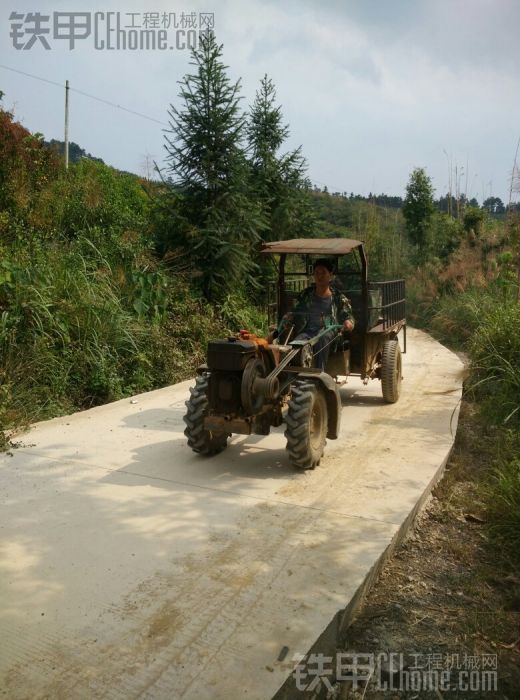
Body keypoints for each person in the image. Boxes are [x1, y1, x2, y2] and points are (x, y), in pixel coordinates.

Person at [282, 258, 355, 370]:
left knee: (322, 338)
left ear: (330, 275)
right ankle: (297, 376)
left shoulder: (338, 297)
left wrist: (348, 322)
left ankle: (319, 374)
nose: (319, 276)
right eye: (317, 273)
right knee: (298, 342)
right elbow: (295, 310)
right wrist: (289, 316)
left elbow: (348, 315)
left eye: (323, 273)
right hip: (308, 332)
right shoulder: (306, 294)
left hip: (329, 332)